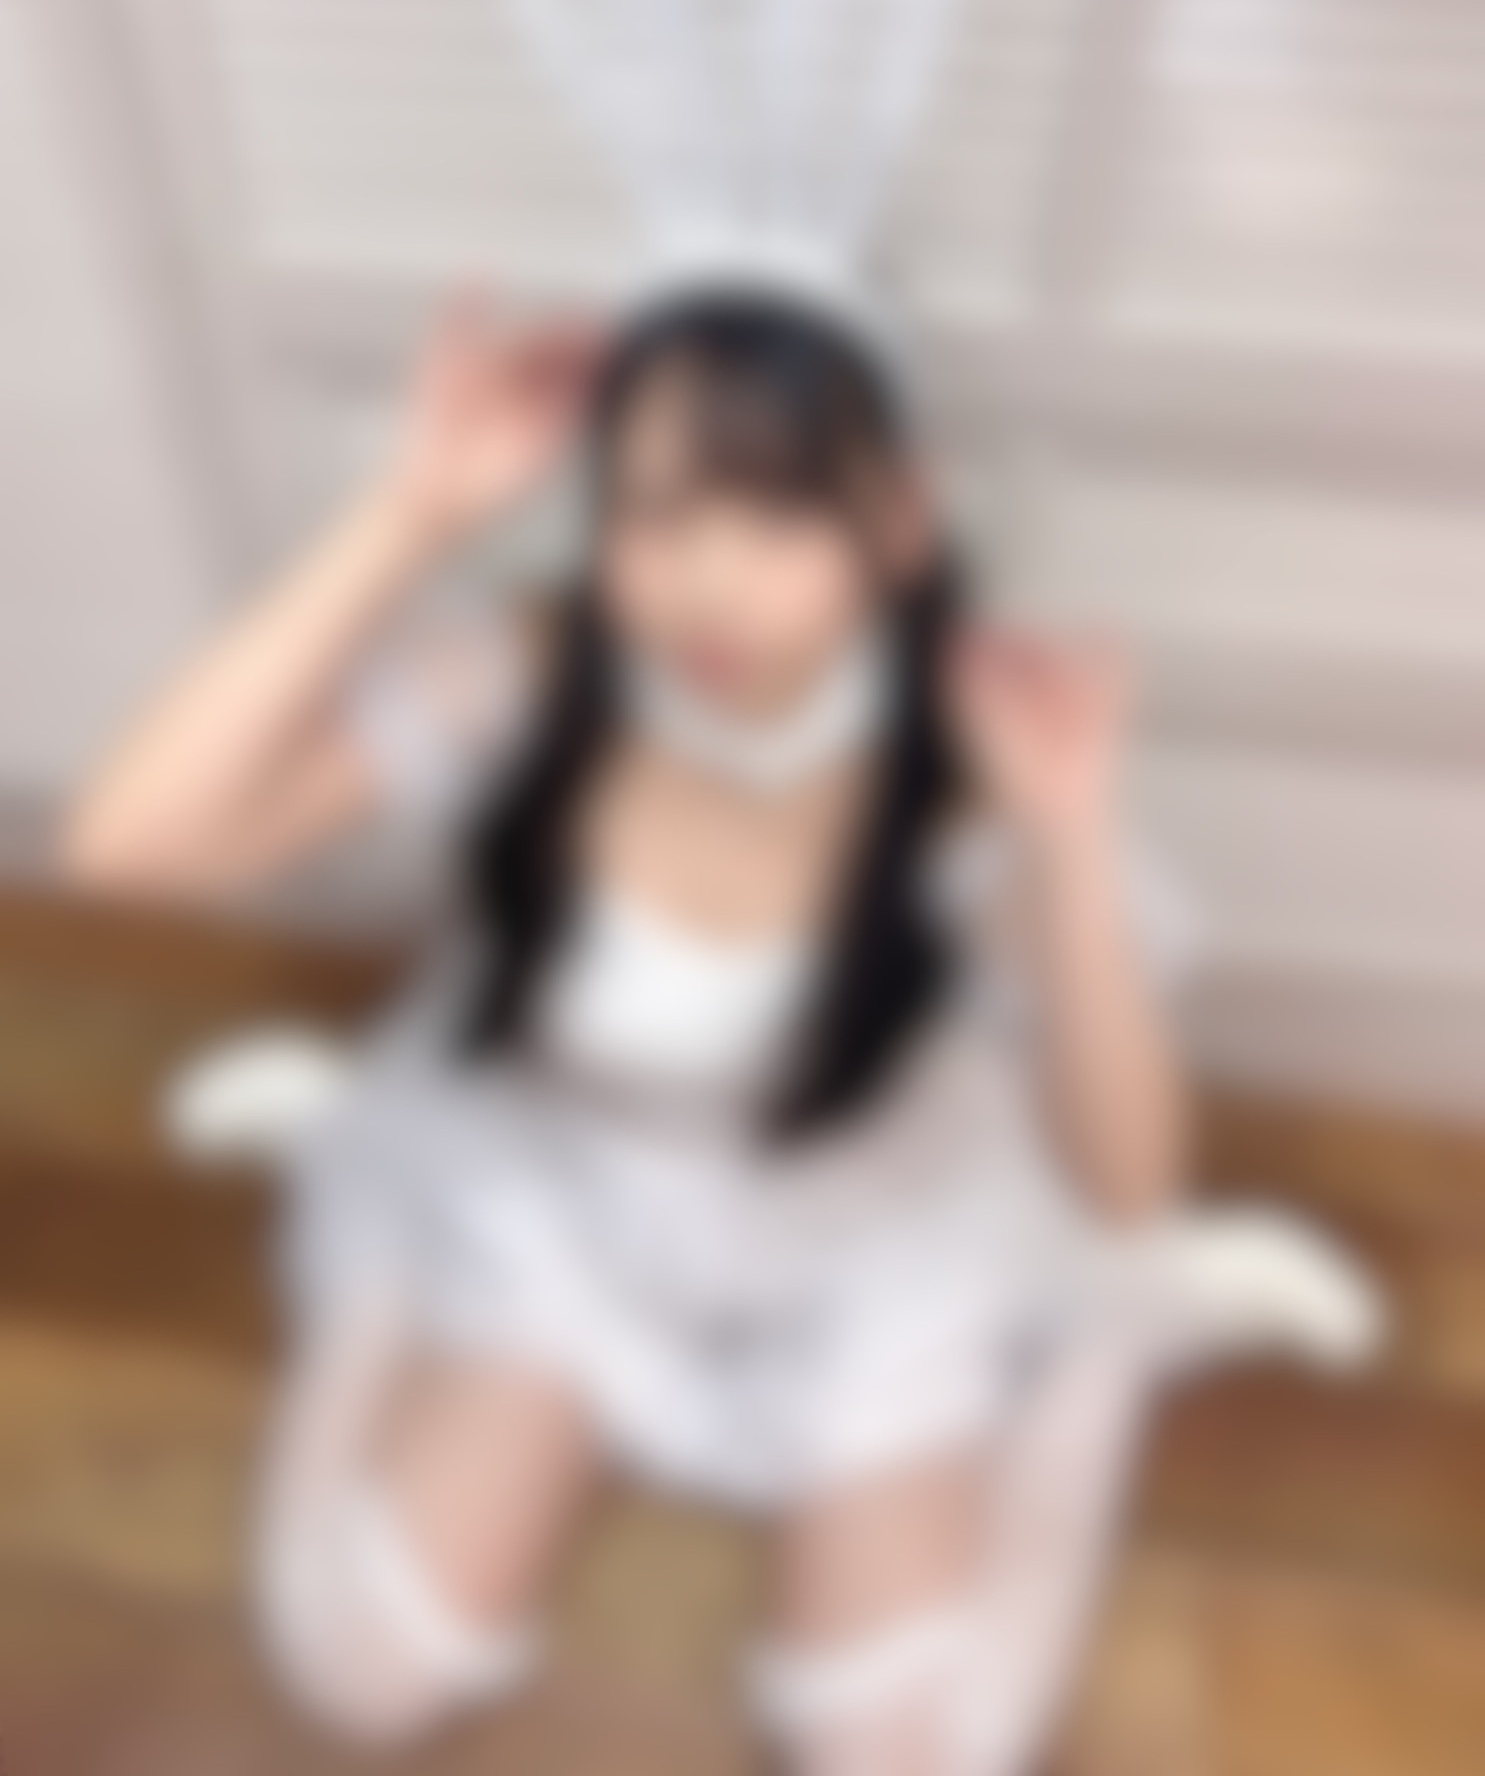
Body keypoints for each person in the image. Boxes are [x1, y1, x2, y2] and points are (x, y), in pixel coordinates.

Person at [62, 290, 1383, 1773]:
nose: (710, 585)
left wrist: (1071, 832)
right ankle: (366, 1202)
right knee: (356, 1670)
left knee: (916, 1753)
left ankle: (1104, 1358)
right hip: (571, 1193)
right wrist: (408, 511)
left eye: (779, 517)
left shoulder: (959, 761)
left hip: (866, 1234)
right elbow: (127, 846)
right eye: (655, 514)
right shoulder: (533, 668)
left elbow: (1124, 1189)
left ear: (901, 520)